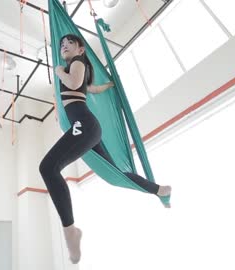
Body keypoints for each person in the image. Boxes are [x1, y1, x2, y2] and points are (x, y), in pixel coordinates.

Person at [39, 34, 172, 264]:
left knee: (48, 167)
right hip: (87, 128)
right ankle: (160, 189)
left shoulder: (75, 65)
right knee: (116, 176)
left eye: (68, 43)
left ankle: (71, 232)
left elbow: (71, 83)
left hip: (86, 126)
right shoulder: (76, 69)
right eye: (61, 44)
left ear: (80, 50)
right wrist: (110, 85)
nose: (63, 46)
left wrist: (59, 71)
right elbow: (93, 89)